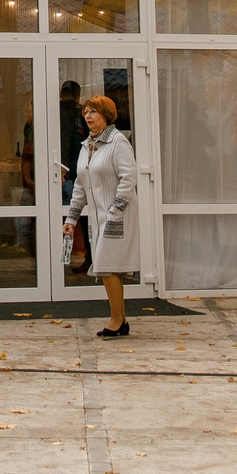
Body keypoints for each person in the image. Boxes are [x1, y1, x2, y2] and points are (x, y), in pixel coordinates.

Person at [64, 93, 138, 336]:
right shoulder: (87, 146)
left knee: (105, 266)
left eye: (93, 111)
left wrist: (116, 210)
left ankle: (116, 320)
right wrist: (71, 219)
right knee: (108, 267)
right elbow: (79, 185)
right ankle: (121, 320)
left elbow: (129, 178)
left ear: (106, 115)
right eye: (85, 112)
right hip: (97, 219)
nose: (87, 116)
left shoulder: (117, 142)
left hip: (117, 217)